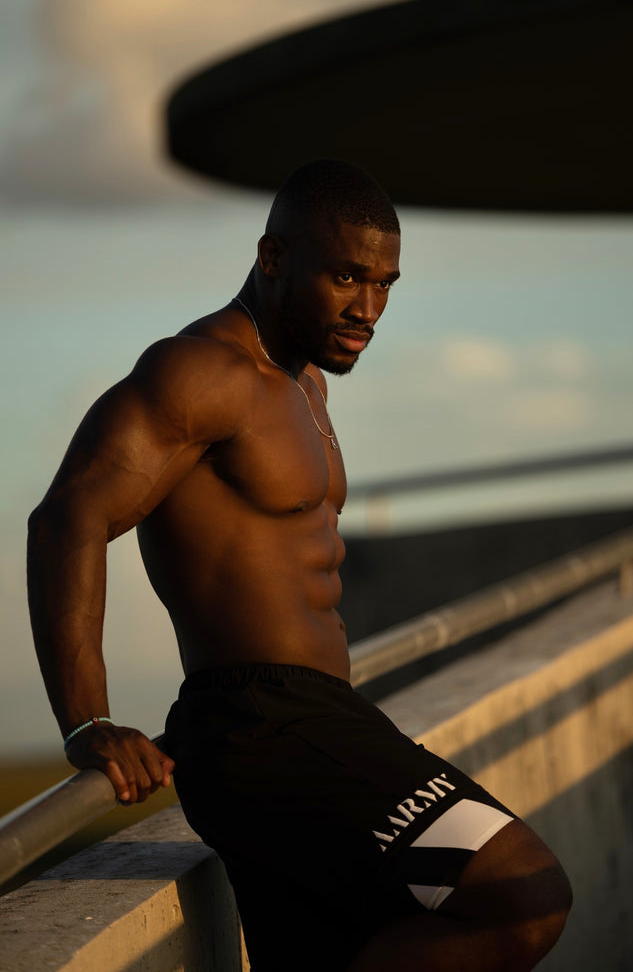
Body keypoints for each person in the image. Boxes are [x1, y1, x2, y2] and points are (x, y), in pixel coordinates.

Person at [28, 159, 571, 971]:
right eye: (346, 277)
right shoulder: (200, 371)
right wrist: (86, 720)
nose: (368, 309)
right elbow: (67, 517)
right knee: (524, 894)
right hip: (260, 727)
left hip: (320, 717)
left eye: (385, 284)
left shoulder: (306, 383)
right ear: (273, 257)